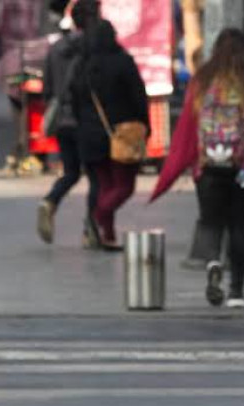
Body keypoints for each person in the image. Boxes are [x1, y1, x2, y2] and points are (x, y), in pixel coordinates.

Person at [150, 28, 244, 308]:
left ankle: (213, 262)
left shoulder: (201, 80)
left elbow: (188, 127)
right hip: (243, 168)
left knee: (210, 221)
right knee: (239, 225)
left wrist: (179, 165)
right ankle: (237, 292)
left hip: (207, 168)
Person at [69, 19, 149, 251]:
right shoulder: (123, 62)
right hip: (121, 133)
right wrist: (145, 126)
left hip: (89, 136)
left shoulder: (81, 65)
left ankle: (107, 235)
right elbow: (138, 97)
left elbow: (74, 103)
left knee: (106, 185)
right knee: (124, 187)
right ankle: (98, 217)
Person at [36, 0, 100, 245]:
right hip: (85, 122)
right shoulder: (93, 49)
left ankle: (50, 201)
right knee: (95, 177)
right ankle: (91, 229)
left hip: (62, 121)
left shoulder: (56, 48)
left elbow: (47, 89)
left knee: (71, 172)